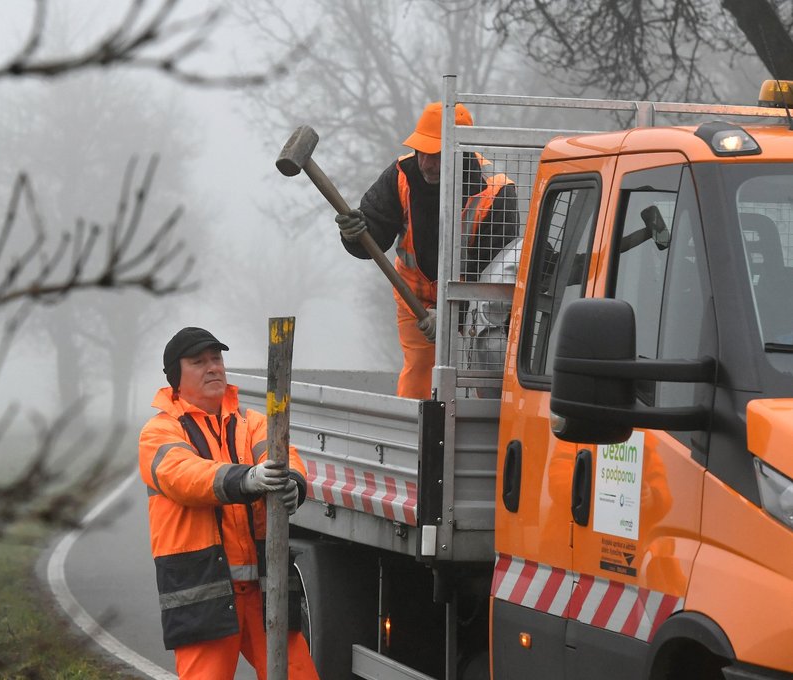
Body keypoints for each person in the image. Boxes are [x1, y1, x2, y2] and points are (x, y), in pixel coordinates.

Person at [138, 326, 319, 680]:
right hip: (204, 593)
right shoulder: (159, 432)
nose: (213, 368)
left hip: (265, 588)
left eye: (217, 359)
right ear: (176, 377)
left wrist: (294, 484)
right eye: (199, 362)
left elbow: (284, 456)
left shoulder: (251, 423)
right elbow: (184, 475)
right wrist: (246, 479)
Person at [336, 101, 519, 399]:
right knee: (419, 376)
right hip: (414, 297)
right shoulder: (400, 175)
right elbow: (373, 239)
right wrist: (354, 234)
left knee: (491, 373)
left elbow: (493, 274)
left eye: (437, 155)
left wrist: (449, 314)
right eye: (423, 151)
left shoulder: (496, 192)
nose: (426, 163)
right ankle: (413, 441)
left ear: (463, 152)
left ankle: (494, 438)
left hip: (476, 302)